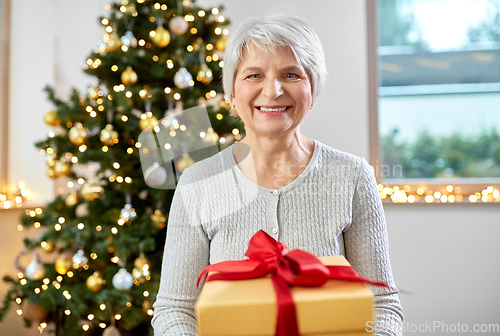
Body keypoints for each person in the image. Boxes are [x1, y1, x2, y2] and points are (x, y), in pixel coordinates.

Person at [152, 13, 404, 336]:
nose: (272, 91)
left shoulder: (353, 177)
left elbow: (383, 305)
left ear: (312, 89)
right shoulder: (197, 184)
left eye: (291, 74)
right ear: (232, 93)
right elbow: (175, 310)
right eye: (254, 75)